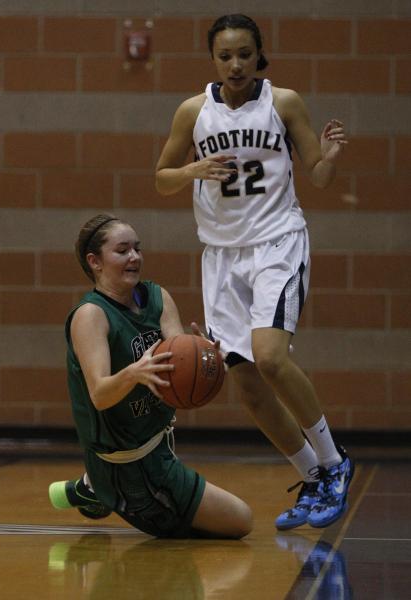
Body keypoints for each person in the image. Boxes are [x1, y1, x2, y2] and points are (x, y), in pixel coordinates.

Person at [155, 13, 354, 530]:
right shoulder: (192, 112)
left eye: (245, 53)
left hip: (276, 245)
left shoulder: (282, 102)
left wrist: (330, 155)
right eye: (225, 55)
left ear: (258, 54)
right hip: (220, 257)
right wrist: (191, 171)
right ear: (213, 59)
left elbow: (319, 174)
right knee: (246, 386)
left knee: (270, 356)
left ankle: (335, 463)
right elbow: (161, 179)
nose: (235, 63)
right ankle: (311, 477)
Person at [48, 213, 252, 539]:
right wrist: (134, 374)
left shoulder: (158, 297)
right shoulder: (91, 316)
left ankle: (94, 489)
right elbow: (100, 394)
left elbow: (176, 372)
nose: (135, 257)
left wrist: (204, 356)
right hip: (127, 467)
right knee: (241, 521)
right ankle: (102, 486)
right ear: (95, 261)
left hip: (159, 447)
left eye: (137, 249)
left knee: (232, 521)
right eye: (123, 250)